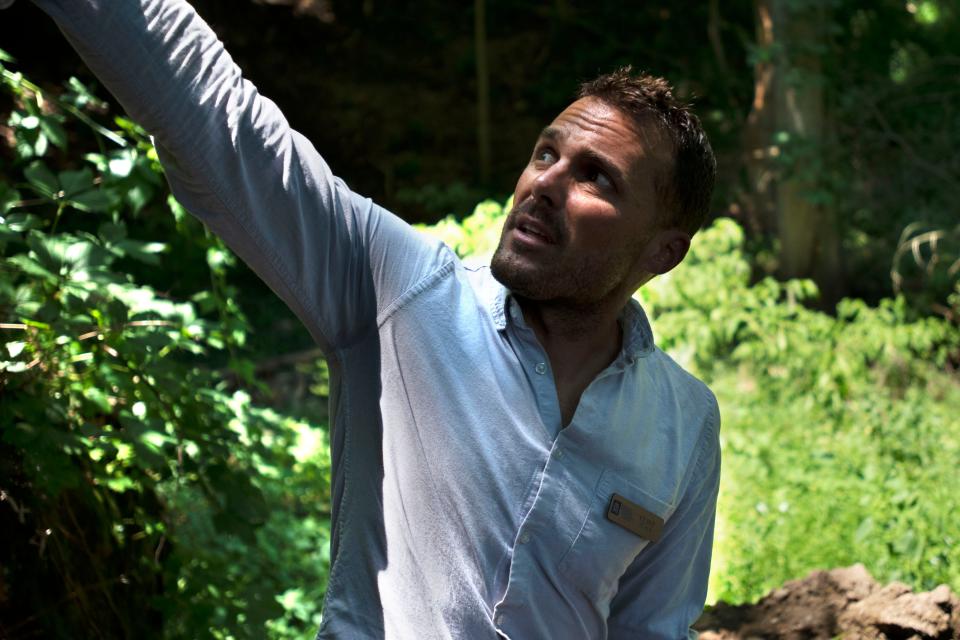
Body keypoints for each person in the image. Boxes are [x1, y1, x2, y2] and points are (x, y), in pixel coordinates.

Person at [22, 0, 720, 637]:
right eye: (546, 153)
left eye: (596, 177)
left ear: (664, 250)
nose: (544, 185)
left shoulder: (683, 425)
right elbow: (219, 123)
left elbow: (653, 629)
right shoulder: (403, 294)